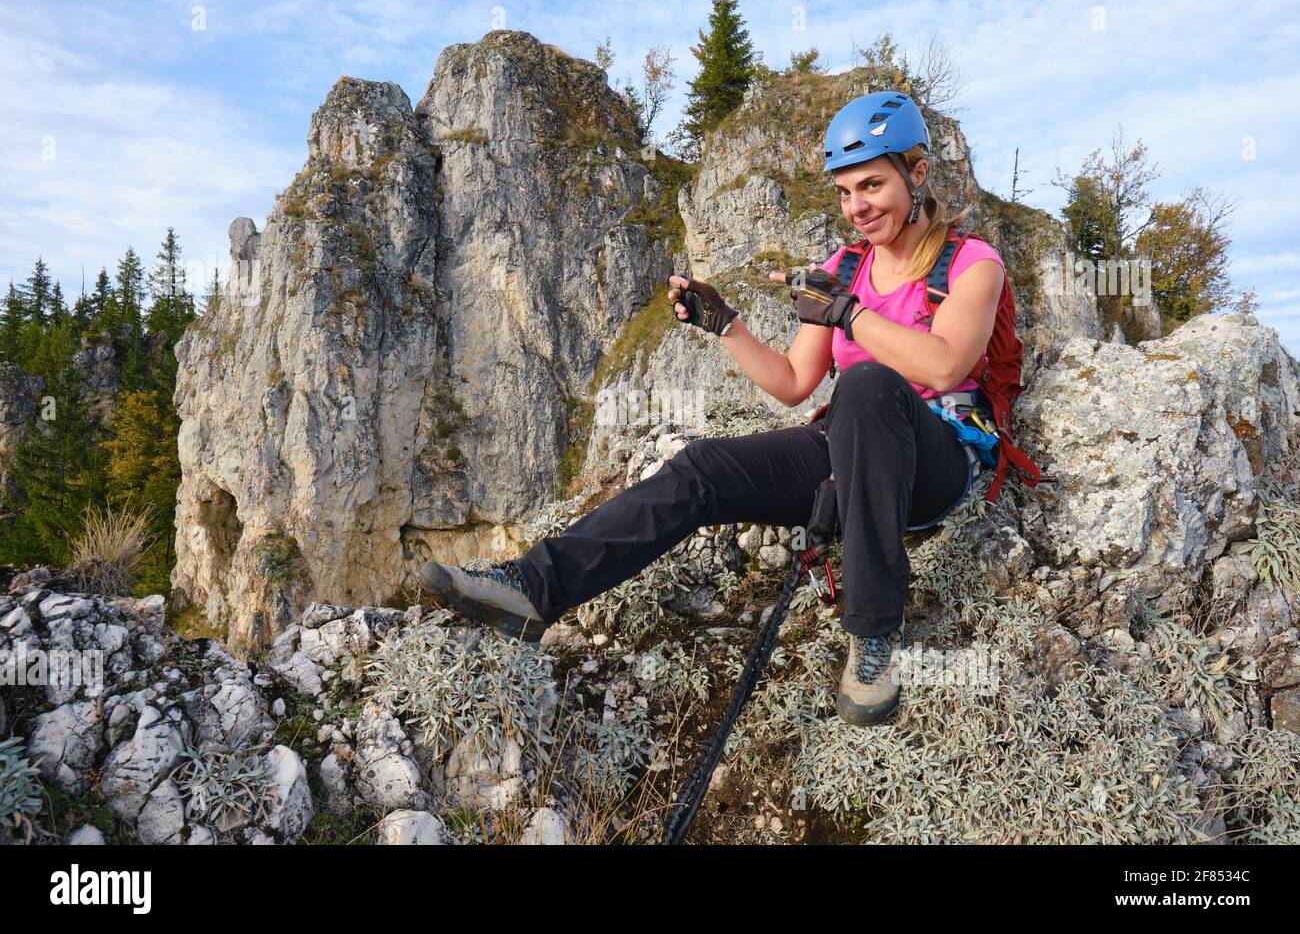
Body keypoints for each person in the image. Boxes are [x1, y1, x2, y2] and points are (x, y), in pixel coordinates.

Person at [418, 91, 1007, 726]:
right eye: (843, 191)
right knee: (701, 468)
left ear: (916, 173)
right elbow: (793, 381)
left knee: (865, 386)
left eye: (871, 185)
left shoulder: (971, 262)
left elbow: (947, 363)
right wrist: (725, 323)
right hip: (852, 445)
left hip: (938, 458)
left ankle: (872, 643)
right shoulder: (844, 266)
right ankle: (534, 589)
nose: (856, 207)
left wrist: (849, 314)